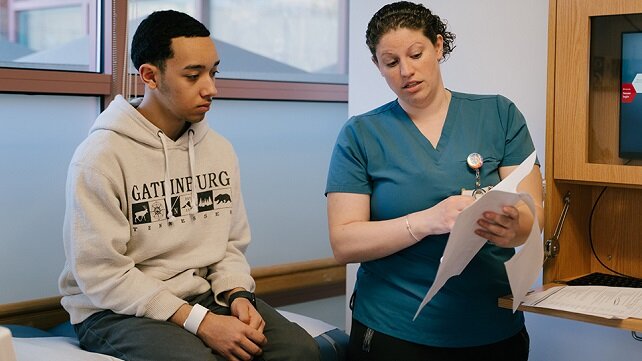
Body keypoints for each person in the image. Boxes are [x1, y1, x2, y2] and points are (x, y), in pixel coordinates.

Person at [58, 10, 320, 361]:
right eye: (193, 75)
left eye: (213, 73)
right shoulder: (100, 157)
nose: (211, 88)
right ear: (150, 76)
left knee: (300, 351)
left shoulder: (218, 150)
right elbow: (102, 275)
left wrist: (239, 295)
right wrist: (202, 323)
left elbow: (228, 246)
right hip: (114, 309)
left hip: (201, 294)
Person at [325, 2, 544, 360]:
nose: (406, 71)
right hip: (395, 329)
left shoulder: (499, 115)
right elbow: (344, 242)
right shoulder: (361, 135)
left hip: (493, 323)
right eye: (391, 62)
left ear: (438, 46)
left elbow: (535, 215)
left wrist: (513, 227)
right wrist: (429, 221)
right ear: (377, 66)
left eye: (416, 54)